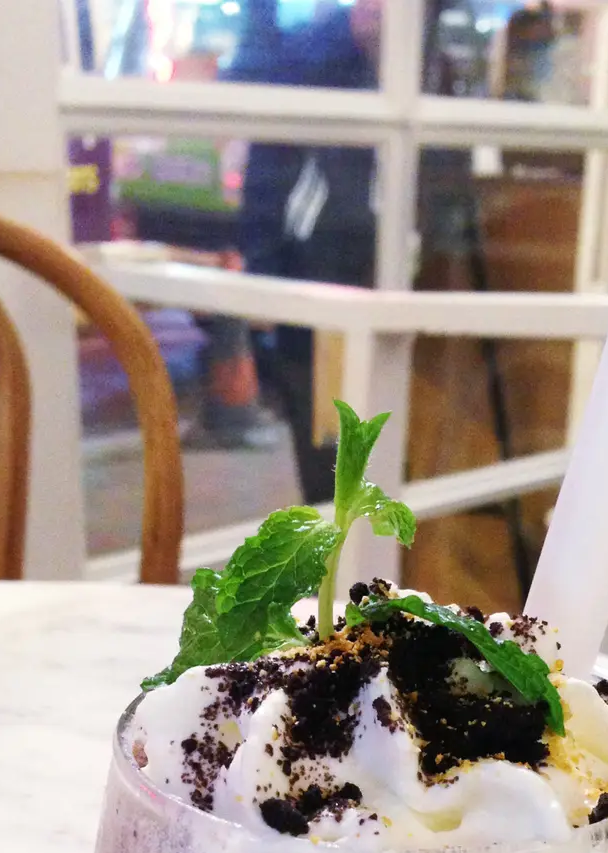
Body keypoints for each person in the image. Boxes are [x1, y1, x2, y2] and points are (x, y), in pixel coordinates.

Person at [226, 1, 383, 502]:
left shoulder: (414, 62)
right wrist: (263, 279)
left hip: (372, 285)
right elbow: (269, 172)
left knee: (369, 454)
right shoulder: (313, 60)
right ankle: (340, 548)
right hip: (324, 292)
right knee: (331, 458)